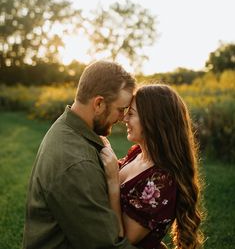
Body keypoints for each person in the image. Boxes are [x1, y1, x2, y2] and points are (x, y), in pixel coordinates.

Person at [22, 60, 141, 249]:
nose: (122, 118)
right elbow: (106, 246)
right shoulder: (77, 163)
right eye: (120, 109)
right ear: (99, 103)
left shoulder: (66, 127)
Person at [100, 84, 205, 249]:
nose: (124, 118)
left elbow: (125, 240)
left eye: (131, 114)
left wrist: (113, 183)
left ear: (152, 121)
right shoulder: (137, 154)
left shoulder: (161, 180)